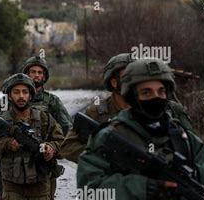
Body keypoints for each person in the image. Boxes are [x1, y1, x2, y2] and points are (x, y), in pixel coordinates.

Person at [76, 59, 204, 200]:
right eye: (146, 92)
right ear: (131, 96)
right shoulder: (108, 137)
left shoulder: (185, 140)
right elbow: (89, 193)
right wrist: (142, 187)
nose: (156, 97)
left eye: (161, 91)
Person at [61, 53, 194, 162]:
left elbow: (192, 147)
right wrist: (105, 155)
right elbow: (67, 147)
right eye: (127, 77)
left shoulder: (164, 108)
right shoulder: (98, 111)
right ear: (114, 82)